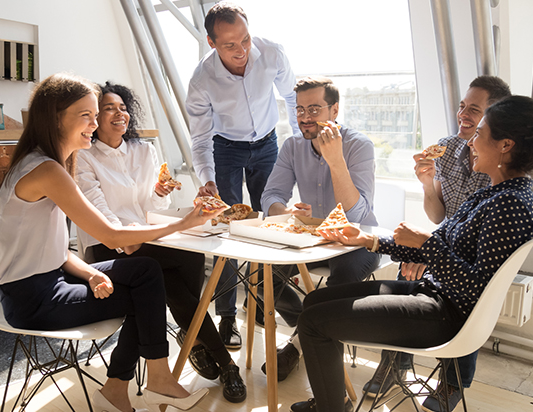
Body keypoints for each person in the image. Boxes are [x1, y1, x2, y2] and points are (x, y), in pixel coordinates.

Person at [290, 95, 533, 412]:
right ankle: (333, 399)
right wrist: (367, 241)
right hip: (430, 294)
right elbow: (436, 241)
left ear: (505, 145)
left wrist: (426, 246)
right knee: (314, 301)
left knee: (314, 322)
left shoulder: (509, 205)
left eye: (480, 134)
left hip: (446, 315)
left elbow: (475, 286)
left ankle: (331, 407)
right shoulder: (494, 193)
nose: (470, 142)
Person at [0, 73, 222, 412]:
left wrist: (88, 273)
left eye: (94, 116)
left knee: (145, 272)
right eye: (86, 115)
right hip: (31, 298)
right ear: (57, 118)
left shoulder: (50, 164)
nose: (94, 123)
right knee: (143, 294)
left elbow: (52, 251)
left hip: (47, 280)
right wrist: (186, 223)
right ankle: (146, 381)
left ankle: (131, 384)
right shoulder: (46, 171)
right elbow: (110, 236)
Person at [75, 82, 246, 403]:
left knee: (190, 255)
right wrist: (136, 235)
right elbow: (102, 217)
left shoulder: (143, 150)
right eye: (109, 108)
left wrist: (159, 193)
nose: (119, 113)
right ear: (95, 117)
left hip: (146, 239)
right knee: (166, 278)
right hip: (107, 246)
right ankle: (222, 361)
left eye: (123, 107)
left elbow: (153, 211)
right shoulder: (83, 157)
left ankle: (193, 334)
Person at [359, 76, 512, 410]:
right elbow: (437, 215)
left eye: (474, 109)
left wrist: (430, 253)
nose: (463, 114)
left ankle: (452, 380)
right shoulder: (447, 148)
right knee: (406, 270)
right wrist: (428, 182)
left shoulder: (503, 166)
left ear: (494, 116)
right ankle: (396, 364)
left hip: (471, 257)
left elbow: (472, 238)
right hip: (445, 239)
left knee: (460, 289)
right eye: (462, 106)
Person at [186, 1, 300, 349]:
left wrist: (300, 147)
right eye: (230, 45)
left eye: (245, 40)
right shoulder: (202, 79)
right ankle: (227, 319)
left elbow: (293, 99)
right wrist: (207, 178)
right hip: (226, 150)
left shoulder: (272, 53)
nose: (242, 51)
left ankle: (264, 301)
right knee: (227, 233)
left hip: (267, 144)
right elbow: (201, 138)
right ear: (211, 43)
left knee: (272, 223)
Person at [256, 76, 380, 381]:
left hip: (356, 241)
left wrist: (335, 160)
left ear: (334, 110)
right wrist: (286, 212)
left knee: (341, 281)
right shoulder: (292, 146)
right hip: (312, 238)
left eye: (314, 109)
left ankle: (297, 345)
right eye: (299, 110)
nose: (305, 118)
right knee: (261, 278)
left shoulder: (359, 146)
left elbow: (357, 214)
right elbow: (270, 196)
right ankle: (309, 330)